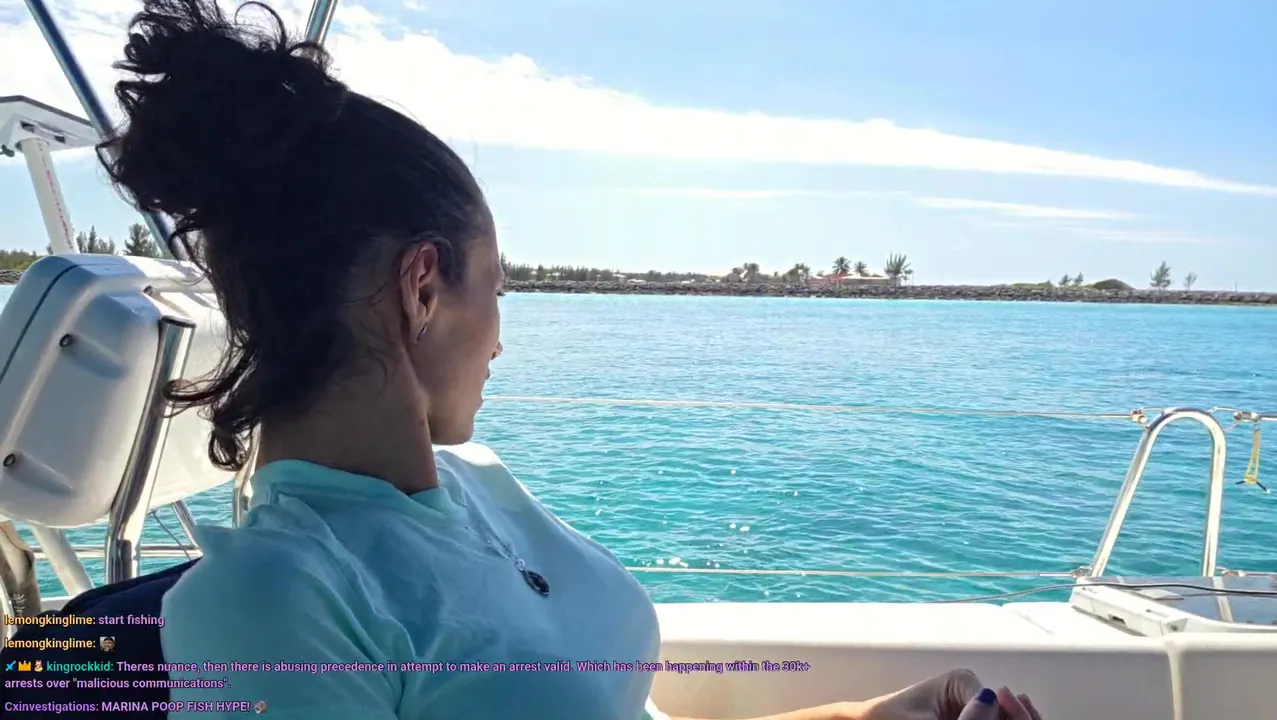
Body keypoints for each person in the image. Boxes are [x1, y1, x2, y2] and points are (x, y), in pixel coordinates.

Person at [100, 2, 1044, 719]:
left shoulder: (478, 486)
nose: (500, 338)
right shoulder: (268, 603)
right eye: (496, 289)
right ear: (422, 290)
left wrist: (870, 717)